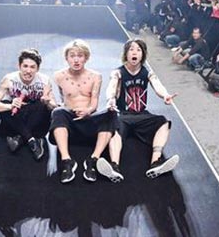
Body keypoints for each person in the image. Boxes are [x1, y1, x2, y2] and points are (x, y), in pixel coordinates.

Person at [97, 39, 179, 183]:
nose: (134, 52)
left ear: (143, 54)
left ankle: (156, 163)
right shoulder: (118, 72)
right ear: (126, 54)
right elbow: (112, 86)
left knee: (163, 122)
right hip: (123, 115)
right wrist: (110, 99)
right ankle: (114, 166)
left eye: (138, 50)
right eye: (131, 49)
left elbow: (157, 85)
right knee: (113, 126)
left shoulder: (147, 72)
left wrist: (165, 95)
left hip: (142, 115)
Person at [49, 39, 116, 184]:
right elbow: (60, 99)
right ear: (67, 58)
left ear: (86, 58)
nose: (76, 60)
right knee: (58, 112)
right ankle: (66, 160)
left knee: (111, 113)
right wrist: (54, 104)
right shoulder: (58, 76)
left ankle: (93, 160)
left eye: (80, 56)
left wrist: (88, 111)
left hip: (89, 121)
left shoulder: (96, 76)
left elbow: (94, 101)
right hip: (70, 122)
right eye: (72, 56)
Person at [0, 49, 56, 161]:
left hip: (35, 119)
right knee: (4, 104)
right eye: (25, 66)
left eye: (32, 67)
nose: (28, 71)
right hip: (16, 117)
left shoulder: (44, 81)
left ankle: (20, 138)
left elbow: (54, 107)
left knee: (41, 105)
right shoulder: (9, 79)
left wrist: (47, 101)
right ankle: (31, 140)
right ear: (19, 66)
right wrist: (10, 106)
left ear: (37, 69)